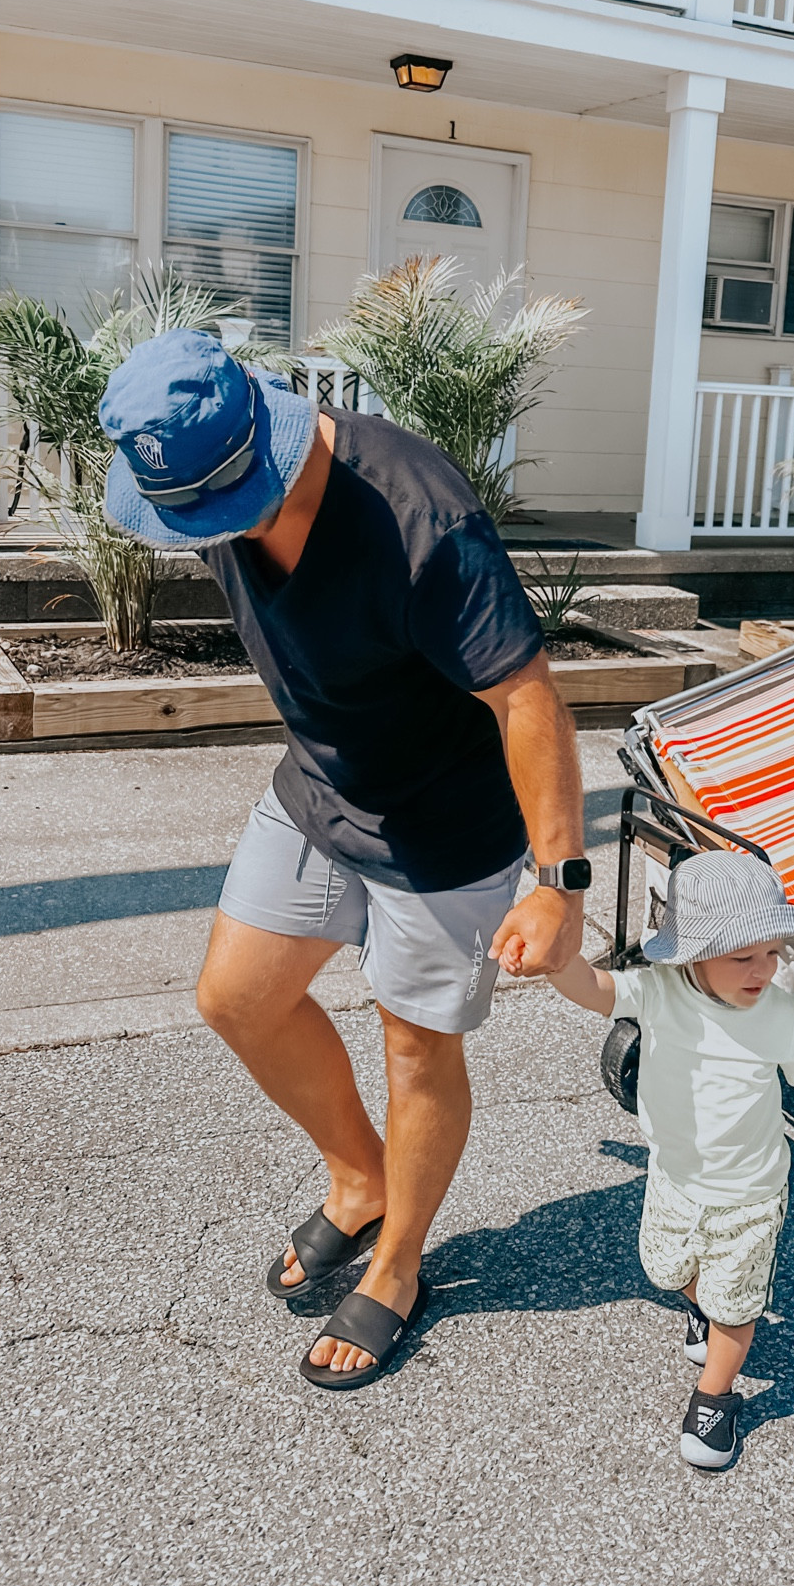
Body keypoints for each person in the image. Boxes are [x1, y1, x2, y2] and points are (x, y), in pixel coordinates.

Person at [97, 329, 590, 1390]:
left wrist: (559, 883)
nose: (203, 535)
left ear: (263, 445)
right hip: (320, 788)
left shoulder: (418, 515)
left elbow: (527, 697)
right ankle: (360, 1177)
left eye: (217, 510)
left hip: (444, 827)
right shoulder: (208, 478)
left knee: (416, 1047)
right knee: (238, 996)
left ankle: (400, 1262)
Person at [505, 849, 794, 1470]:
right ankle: (703, 1307)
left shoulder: (774, 1010)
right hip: (674, 1177)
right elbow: (593, 988)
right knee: (665, 1269)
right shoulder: (660, 991)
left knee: (735, 1307)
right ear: (692, 954)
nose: (763, 969)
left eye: (772, 951)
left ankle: (715, 1397)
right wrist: (553, 960)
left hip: (750, 1192)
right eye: (742, 957)